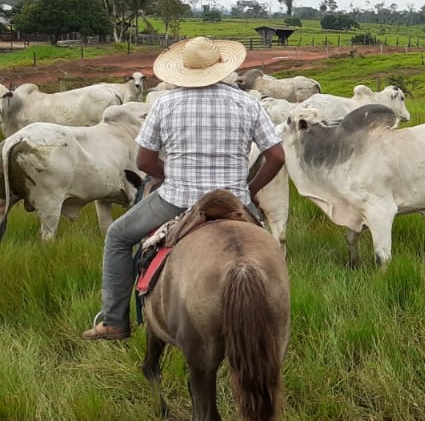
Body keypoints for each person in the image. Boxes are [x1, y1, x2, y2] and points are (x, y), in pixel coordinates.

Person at [82, 37, 286, 341]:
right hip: (234, 200)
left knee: (118, 237)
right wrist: (249, 188)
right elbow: (276, 157)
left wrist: (172, 175)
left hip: (176, 201)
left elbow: (145, 160)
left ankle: (114, 321)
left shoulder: (165, 103)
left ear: (184, 71)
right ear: (221, 66)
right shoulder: (248, 103)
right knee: (268, 251)